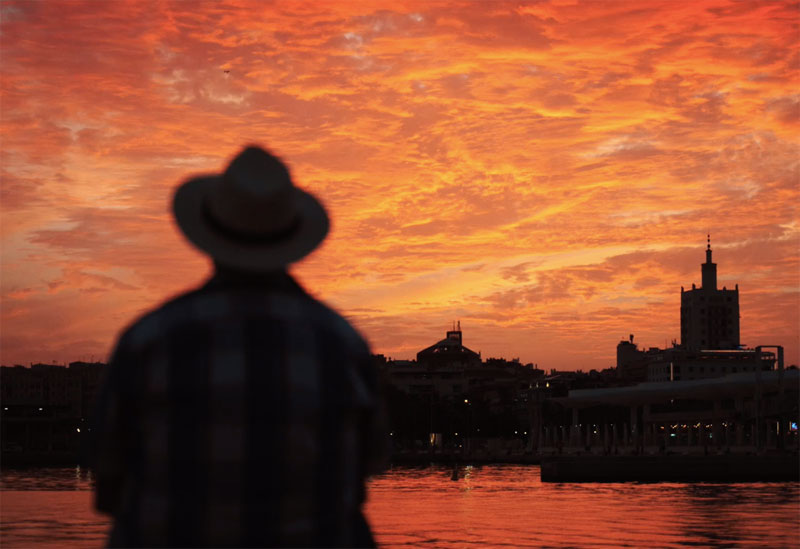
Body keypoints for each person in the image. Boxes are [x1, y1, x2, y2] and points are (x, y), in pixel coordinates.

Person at [89, 146, 388, 548]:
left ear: (211, 235)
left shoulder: (148, 340)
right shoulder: (343, 344)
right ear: (291, 237)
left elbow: (108, 488)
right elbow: (366, 473)